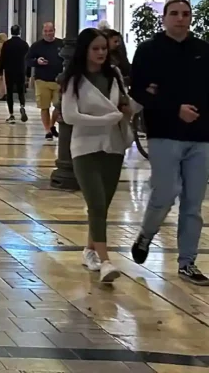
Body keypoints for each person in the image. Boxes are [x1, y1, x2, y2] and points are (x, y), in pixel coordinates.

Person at [130, 0, 209, 286]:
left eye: (185, 14)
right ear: (163, 18)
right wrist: (174, 108)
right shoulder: (149, 50)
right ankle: (145, 235)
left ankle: (187, 262)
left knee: (193, 203)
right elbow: (140, 91)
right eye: (174, 14)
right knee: (165, 191)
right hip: (164, 132)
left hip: (201, 137)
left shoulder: (202, 50)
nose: (180, 19)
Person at [59, 28, 131, 284]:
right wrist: (105, 119)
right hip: (85, 148)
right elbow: (69, 116)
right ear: (85, 50)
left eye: (104, 48)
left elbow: (123, 104)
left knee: (103, 206)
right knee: (96, 203)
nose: (101, 53)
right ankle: (106, 261)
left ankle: (90, 250)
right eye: (96, 48)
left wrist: (126, 110)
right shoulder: (74, 80)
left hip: (114, 147)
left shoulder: (115, 75)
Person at [27, 22, 65, 140]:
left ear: (54, 30)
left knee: (59, 106)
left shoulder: (61, 44)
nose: (48, 33)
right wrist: (36, 61)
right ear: (42, 32)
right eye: (46, 31)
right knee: (44, 106)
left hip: (58, 80)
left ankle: (52, 125)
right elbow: (27, 60)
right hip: (42, 79)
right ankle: (48, 130)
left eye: (50, 31)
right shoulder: (36, 46)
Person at [0, 25, 29, 123]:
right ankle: (22, 106)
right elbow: (28, 59)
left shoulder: (6, 44)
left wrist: (1, 70)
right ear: (20, 31)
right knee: (21, 90)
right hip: (20, 70)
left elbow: (2, 58)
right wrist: (28, 73)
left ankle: (11, 114)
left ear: (11, 32)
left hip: (9, 70)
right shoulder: (24, 44)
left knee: (9, 92)